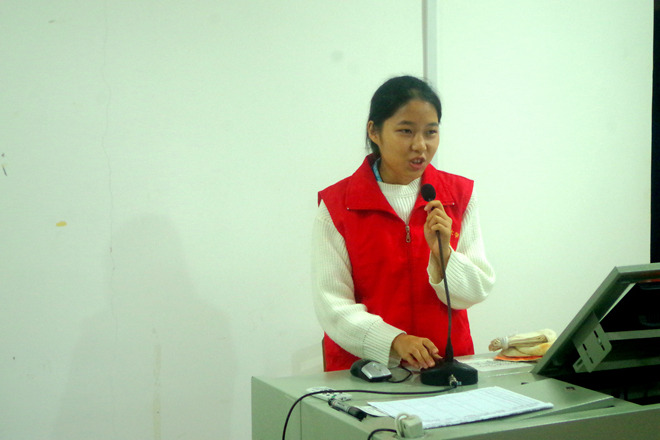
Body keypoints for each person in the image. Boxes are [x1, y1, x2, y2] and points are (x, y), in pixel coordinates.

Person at [312, 75, 495, 372]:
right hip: (367, 373)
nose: (420, 145)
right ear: (374, 131)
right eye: (406, 131)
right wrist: (395, 341)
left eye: (431, 132)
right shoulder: (337, 205)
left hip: (446, 367)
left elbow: (475, 292)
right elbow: (332, 305)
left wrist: (444, 255)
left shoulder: (458, 196)